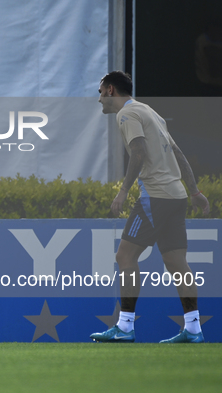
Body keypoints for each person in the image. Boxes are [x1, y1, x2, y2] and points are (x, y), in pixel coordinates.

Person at [90, 71, 210, 343]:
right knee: (176, 262)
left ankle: (125, 326)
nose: (99, 100)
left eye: (100, 93)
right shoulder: (150, 112)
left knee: (125, 257)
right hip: (176, 196)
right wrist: (194, 191)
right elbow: (177, 152)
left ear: (110, 90)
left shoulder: (127, 114)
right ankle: (193, 329)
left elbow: (139, 152)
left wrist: (122, 191)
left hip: (155, 197)